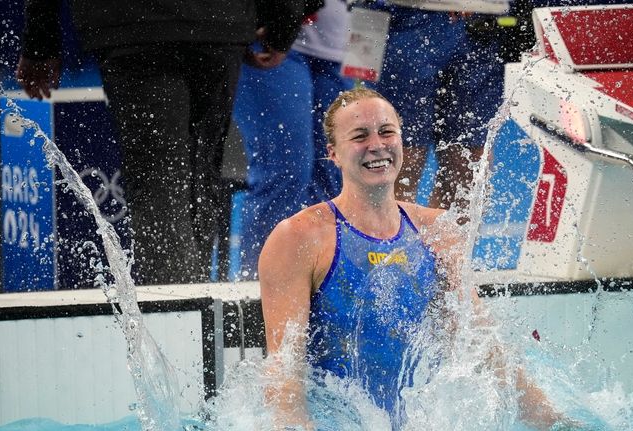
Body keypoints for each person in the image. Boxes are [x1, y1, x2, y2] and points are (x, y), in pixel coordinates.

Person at [258, 87, 565, 430]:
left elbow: (481, 339)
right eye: (360, 136)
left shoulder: (437, 230)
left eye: (387, 132)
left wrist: (546, 417)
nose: (377, 145)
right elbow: (285, 370)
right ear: (334, 154)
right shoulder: (299, 238)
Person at [15, 0, 309, 285]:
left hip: (136, 26)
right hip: (214, 23)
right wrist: (283, 20)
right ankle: (193, 316)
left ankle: (182, 320)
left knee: (163, 185)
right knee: (198, 179)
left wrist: (40, 43)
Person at [233, 0, 354, 279]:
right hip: (275, 37)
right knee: (286, 170)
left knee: (337, 176)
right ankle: (260, 289)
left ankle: (322, 279)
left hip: (346, 40)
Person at [368, 0, 524, 211]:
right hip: (401, 18)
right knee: (397, 162)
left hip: (486, 24)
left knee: (468, 169)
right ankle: (389, 243)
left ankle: (444, 244)